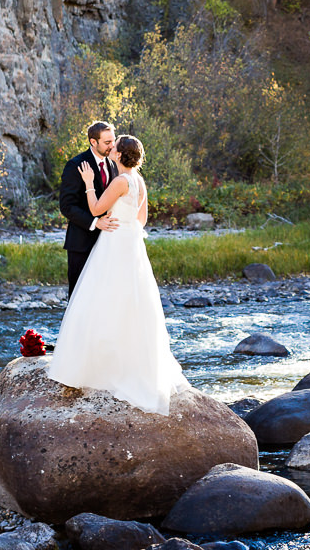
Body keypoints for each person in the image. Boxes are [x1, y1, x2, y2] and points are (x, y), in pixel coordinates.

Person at [47, 135, 191, 415]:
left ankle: (97, 367)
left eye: (115, 145)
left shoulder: (120, 181)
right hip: (131, 244)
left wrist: (89, 185)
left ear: (120, 154)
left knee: (101, 299)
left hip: (113, 242)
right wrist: (125, 225)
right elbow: (142, 220)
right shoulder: (138, 180)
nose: (110, 148)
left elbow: (96, 209)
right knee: (130, 301)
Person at [59, 121, 121, 294]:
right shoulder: (76, 165)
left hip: (109, 241)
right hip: (81, 242)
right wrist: (95, 223)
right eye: (107, 143)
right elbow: (66, 206)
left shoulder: (115, 164)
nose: (112, 146)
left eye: (113, 141)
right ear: (93, 142)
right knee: (79, 296)